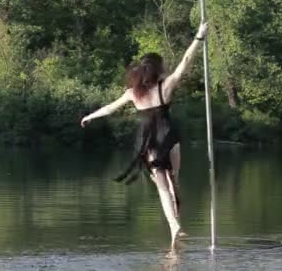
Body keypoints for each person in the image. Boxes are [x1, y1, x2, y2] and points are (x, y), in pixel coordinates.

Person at [80, 22, 208, 252]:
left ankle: (174, 226)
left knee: (162, 188)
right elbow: (185, 63)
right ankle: (177, 219)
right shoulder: (165, 87)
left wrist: (90, 116)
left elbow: (110, 108)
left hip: (150, 143)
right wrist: (199, 36)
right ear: (157, 71)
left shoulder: (133, 94)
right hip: (170, 137)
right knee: (174, 179)